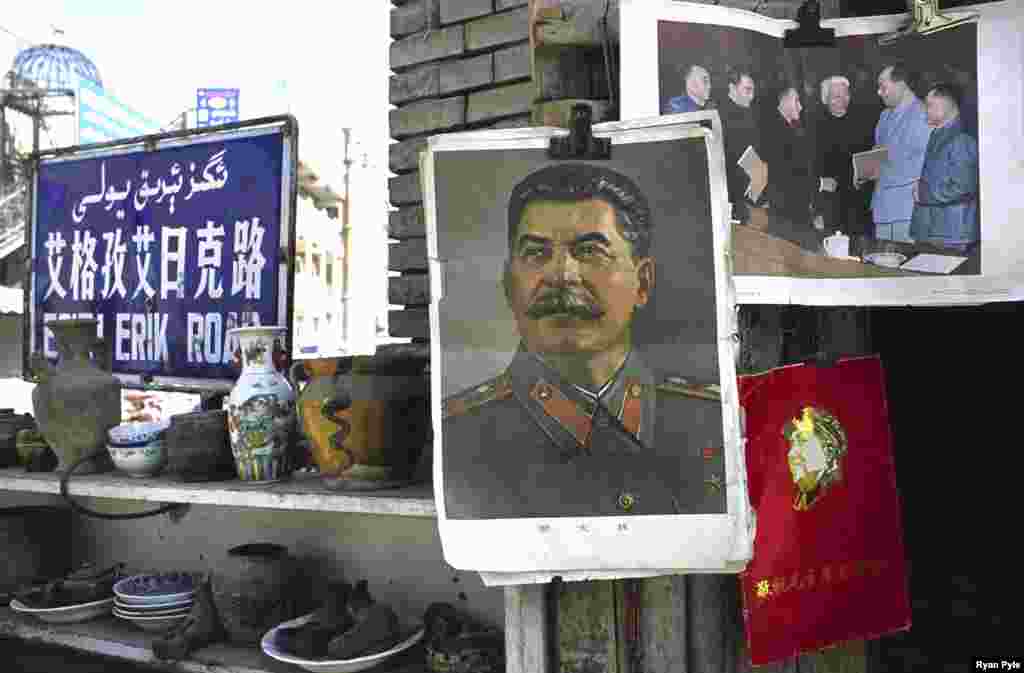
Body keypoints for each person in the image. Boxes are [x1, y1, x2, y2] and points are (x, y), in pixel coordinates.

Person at [442, 164, 726, 520]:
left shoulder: (715, 420)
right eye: (535, 253)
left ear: (643, 283)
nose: (561, 275)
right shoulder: (455, 438)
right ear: (507, 284)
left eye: (590, 251)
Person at [864, 64, 931, 243]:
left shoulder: (923, 113)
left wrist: (883, 171)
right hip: (882, 210)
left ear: (901, 84)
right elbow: (879, 154)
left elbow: (923, 164)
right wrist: (866, 168)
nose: (879, 92)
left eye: (883, 86)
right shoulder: (884, 116)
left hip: (908, 211)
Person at [910, 83, 979, 251]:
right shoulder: (940, 133)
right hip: (935, 231)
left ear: (946, 106)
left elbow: (964, 187)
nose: (925, 110)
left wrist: (924, 193)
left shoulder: (961, 138)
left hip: (950, 234)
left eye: (929, 105)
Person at [759, 86, 837, 228]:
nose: (800, 107)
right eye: (796, 101)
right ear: (785, 101)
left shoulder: (787, 128)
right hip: (786, 213)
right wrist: (820, 184)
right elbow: (785, 176)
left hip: (794, 209)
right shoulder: (774, 131)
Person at [814, 75, 875, 236]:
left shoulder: (863, 121)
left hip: (861, 203)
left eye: (846, 94)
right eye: (836, 96)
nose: (843, 99)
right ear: (825, 99)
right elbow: (812, 172)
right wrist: (817, 210)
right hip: (832, 206)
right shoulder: (815, 128)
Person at [718, 66, 761, 224]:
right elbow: (731, 156)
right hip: (732, 200)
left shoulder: (748, 112)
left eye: (753, 90)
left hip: (749, 196)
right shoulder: (720, 115)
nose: (752, 96)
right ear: (732, 88)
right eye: (747, 90)